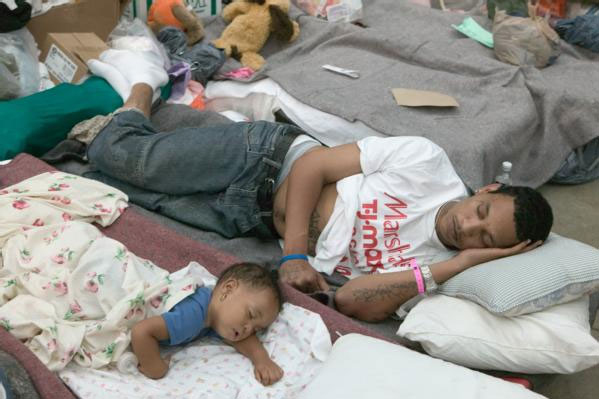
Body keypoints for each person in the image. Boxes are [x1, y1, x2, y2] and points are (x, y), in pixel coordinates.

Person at [79, 49, 553, 323]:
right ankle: (144, 80)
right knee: (115, 155)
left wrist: (457, 266)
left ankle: (133, 122)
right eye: (482, 213)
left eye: (483, 239)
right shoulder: (427, 165)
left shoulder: (436, 270)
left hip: (251, 219)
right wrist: (294, 257)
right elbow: (315, 168)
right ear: (487, 190)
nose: (467, 226)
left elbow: (351, 301)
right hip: (266, 159)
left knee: (101, 189)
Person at [131, 262, 284, 384]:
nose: (248, 329)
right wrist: (155, 368)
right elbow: (141, 332)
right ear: (228, 289)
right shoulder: (192, 315)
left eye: (257, 329)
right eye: (250, 314)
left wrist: (262, 360)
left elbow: (245, 341)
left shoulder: (217, 315)